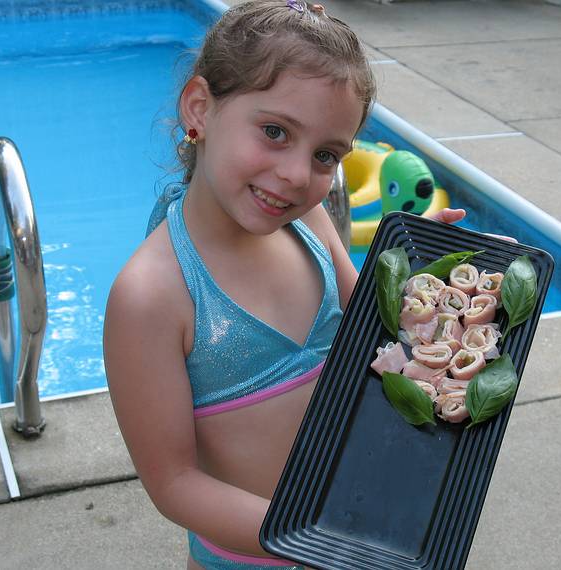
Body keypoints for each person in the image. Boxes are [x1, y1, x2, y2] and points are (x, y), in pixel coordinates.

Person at [103, 1, 465, 568]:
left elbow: (377, 325)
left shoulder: (307, 222)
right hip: (260, 556)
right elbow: (173, 483)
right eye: (275, 131)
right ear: (200, 109)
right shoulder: (154, 295)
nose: (298, 174)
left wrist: (442, 289)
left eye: (325, 155)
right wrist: (321, 533)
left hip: (360, 522)